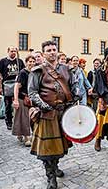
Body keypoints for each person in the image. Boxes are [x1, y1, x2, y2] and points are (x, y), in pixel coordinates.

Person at [28, 40, 76, 189]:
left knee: (59, 145)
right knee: (48, 147)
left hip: (63, 113)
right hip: (47, 114)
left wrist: (76, 94)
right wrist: (44, 106)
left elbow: (72, 86)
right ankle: (51, 177)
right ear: (43, 53)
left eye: (54, 49)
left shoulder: (66, 69)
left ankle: (55, 167)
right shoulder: (38, 70)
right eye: (48, 50)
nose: (52, 52)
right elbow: (32, 92)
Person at [0, 47, 25, 130]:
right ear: (8, 51)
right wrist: (0, 84)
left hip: (18, 84)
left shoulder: (19, 61)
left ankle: (18, 121)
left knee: (19, 103)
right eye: (11, 51)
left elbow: (23, 71)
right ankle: (8, 121)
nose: (13, 53)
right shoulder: (3, 61)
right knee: (8, 104)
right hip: (7, 85)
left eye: (15, 51)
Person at [12, 55, 36, 147]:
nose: (32, 63)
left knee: (31, 117)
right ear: (26, 62)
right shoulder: (23, 72)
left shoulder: (35, 72)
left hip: (32, 98)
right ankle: (27, 137)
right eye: (30, 61)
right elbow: (16, 87)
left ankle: (21, 133)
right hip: (23, 98)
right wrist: (16, 100)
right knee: (24, 118)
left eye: (33, 61)